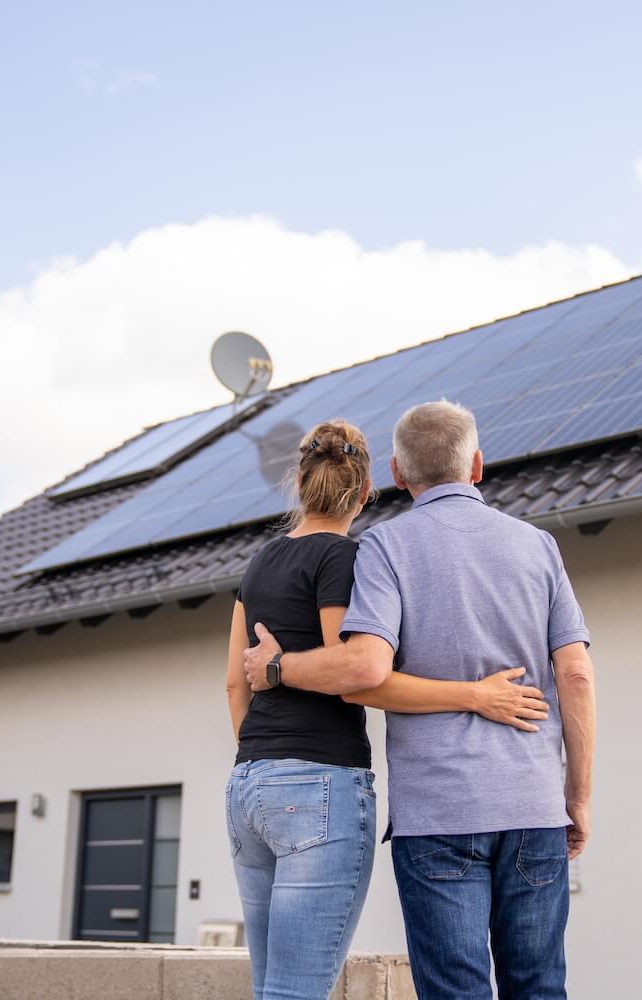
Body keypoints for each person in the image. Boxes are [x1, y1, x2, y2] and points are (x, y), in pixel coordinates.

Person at [243, 400, 598, 1000]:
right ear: (477, 465)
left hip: (437, 815)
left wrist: (276, 667)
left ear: (399, 474)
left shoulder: (383, 548)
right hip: (534, 806)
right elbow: (577, 675)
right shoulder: (539, 547)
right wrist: (578, 796)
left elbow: (362, 674)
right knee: (539, 986)